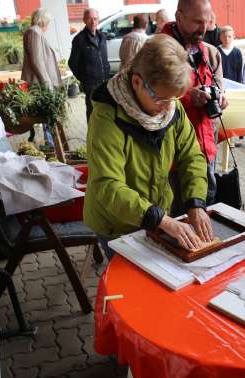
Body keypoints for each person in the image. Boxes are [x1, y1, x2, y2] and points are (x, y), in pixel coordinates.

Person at [84, 35, 212, 261]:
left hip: (157, 215)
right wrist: (160, 219)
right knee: (131, 285)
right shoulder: (106, 117)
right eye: (161, 100)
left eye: (173, 99)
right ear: (136, 82)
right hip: (116, 223)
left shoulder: (172, 107)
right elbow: (108, 185)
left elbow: (192, 157)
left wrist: (196, 203)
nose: (166, 109)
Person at [161, 0, 227, 206]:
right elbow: (147, 98)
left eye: (207, 22)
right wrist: (189, 98)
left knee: (207, 200)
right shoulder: (158, 51)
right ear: (179, 17)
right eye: (197, 22)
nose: (203, 28)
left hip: (206, 144)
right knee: (180, 208)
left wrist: (220, 96)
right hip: (173, 152)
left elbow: (219, 87)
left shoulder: (209, 52)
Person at [21, 8, 61, 146]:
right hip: (40, 83)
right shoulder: (34, 32)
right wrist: (46, 81)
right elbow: (37, 60)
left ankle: (51, 144)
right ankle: (51, 145)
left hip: (41, 82)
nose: (48, 25)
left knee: (46, 114)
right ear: (42, 20)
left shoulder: (35, 32)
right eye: (47, 22)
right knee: (46, 113)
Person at [68, 8, 110, 122]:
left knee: (105, 110)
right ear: (84, 20)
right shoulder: (79, 39)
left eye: (95, 19)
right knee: (92, 112)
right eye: (89, 19)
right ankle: (91, 137)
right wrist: (85, 78)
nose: (93, 22)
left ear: (98, 20)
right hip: (91, 85)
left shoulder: (102, 37)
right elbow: (72, 63)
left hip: (105, 82)